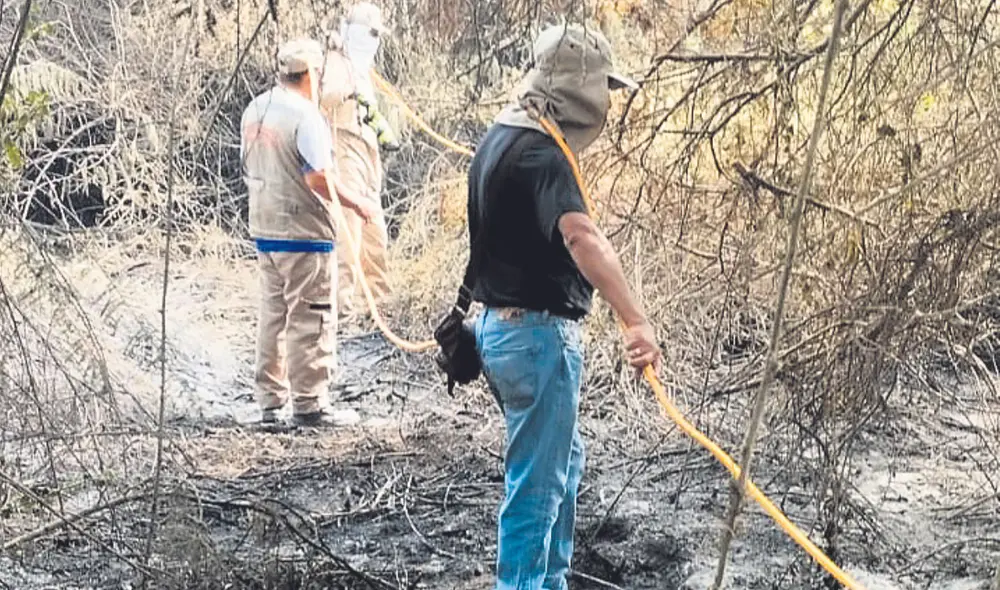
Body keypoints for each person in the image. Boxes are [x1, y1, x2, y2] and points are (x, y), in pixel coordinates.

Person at [467, 23, 663, 590]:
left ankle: (547, 581)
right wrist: (636, 319)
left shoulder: (501, 135)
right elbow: (582, 238)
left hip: (502, 333)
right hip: (535, 339)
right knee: (537, 487)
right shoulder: (542, 154)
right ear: (580, 90)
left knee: (561, 467)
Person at [241, 38, 377, 427]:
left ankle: (270, 402)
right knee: (310, 316)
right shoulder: (306, 116)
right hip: (303, 234)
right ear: (312, 75)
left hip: (265, 230)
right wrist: (358, 204)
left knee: (273, 316)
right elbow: (319, 178)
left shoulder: (255, 109)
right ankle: (310, 403)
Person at [322, 1, 397, 323]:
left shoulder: (363, 68)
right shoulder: (336, 63)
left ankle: (378, 305)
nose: (373, 40)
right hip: (342, 148)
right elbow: (323, 98)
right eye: (368, 34)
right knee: (346, 230)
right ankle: (343, 308)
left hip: (366, 154)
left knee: (373, 231)